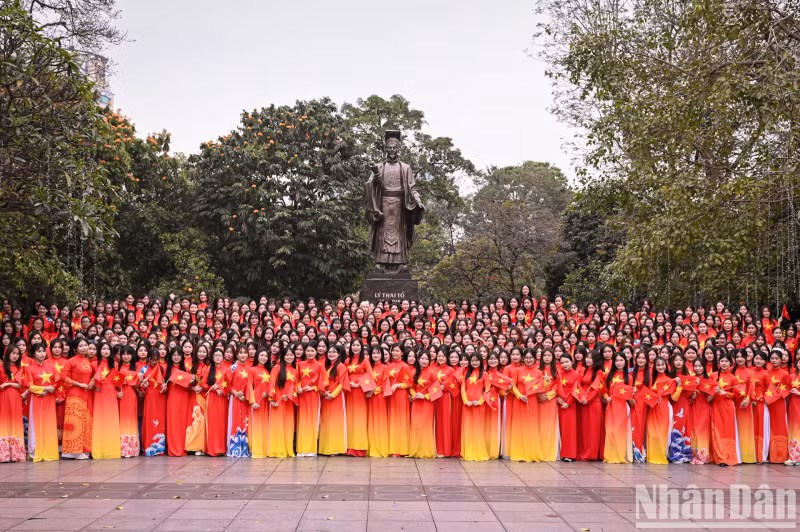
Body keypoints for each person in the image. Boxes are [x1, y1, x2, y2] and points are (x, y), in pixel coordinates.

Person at [61, 338, 95, 459]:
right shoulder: (71, 361)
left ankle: (83, 450)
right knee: (74, 421)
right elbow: (63, 377)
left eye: (86, 345)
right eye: (81, 346)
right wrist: (78, 384)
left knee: (85, 420)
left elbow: (91, 375)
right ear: (75, 349)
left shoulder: (88, 361)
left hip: (87, 393)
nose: (84, 348)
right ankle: (71, 451)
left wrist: (92, 382)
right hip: (75, 394)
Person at [25, 343, 58, 461]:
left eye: (43, 351)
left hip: (50, 399)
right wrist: (43, 389)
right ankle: (35, 451)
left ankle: (50, 452)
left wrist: (52, 388)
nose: (42, 353)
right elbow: (28, 385)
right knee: (36, 425)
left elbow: (58, 380)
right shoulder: (29, 368)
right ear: (33, 354)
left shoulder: (51, 366)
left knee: (49, 424)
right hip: (37, 399)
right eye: (38, 351)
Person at [91, 340, 121, 459]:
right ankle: (99, 450)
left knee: (111, 421)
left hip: (111, 395)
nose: (106, 351)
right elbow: (90, 381)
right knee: (99, 420)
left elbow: (118, 383)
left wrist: (119, 392)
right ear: (99, 351)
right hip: (99, 394)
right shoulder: (94, 364)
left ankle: (111, 450)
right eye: (103, 349)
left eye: (108, 349)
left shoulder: (115, 364)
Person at [268, 347, 298, 458]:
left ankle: (288, 449)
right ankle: (277, 450)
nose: (289, 357)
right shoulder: (277, 367)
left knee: (288, 426)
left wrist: (291, 396)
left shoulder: (295, 370)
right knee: (278, 425)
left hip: (289, 401)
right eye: (287, 355)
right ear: (283, 356)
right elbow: (272, 383)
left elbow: (295, 386)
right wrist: (272, 399)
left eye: (291, 355)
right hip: (278, 400)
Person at [319, 345, 348, 455]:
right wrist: (324, 392)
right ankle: (325, 448)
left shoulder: (341, 366)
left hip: (336, 397)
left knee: (335, 422)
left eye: (334, 352)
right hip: (326, 396)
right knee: (326, 421)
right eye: (330, 352)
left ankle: (335, 448)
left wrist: (333, 395)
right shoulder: (327, 366)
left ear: (339, 354)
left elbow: (342, 383)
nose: (331, 354)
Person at [408, 351, 437, 458]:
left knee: (425, 426)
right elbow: (410, 386)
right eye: (422, 359)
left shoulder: (432, 373)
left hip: (427, 403)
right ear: (418, 359)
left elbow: (436, 390)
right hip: (416, 403)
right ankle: (415, 451)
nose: (424, 361)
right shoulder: (413, 372)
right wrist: (414, 394)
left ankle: (426, 452)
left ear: (429, 360)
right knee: (416, 426)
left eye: (426, 359)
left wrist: (425, 396)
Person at [0, 345, 25, 462]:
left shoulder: (20, 368)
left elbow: (22, 385)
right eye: (13, 353)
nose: (15, 356)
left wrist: (8, 384)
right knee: (3, 422)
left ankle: (15, 454)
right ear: (7, 353)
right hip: (3, 397)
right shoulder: (1, 367)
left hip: (15, 397)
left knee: (15, 421)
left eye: (17, 354)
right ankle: (4, 454)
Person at [164, 346, 190, 457]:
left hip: (184, 397)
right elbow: (163, 386)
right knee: (173, 423)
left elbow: (189, 385)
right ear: (170, 357)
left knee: (183, 423)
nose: (176, 357)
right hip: (172, 398)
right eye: (174, 355)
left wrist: (192, 381)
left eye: (178, 355)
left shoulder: (186, 369)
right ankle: (173, 449)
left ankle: (183, 448)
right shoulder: (166, 369)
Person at [117, 346, 140, 457]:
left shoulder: (136, 368)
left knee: (131, 419)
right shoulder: (117, 367)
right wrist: (117, 393)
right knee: (121, 419)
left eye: (128, 354)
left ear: (132, 355)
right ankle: (121, 449)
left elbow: (137, 386)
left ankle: (132, 449)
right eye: (123, 354)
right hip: (121, 396)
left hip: (131, 396)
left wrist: (140, 380)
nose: (126, 356)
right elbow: (112, 383)